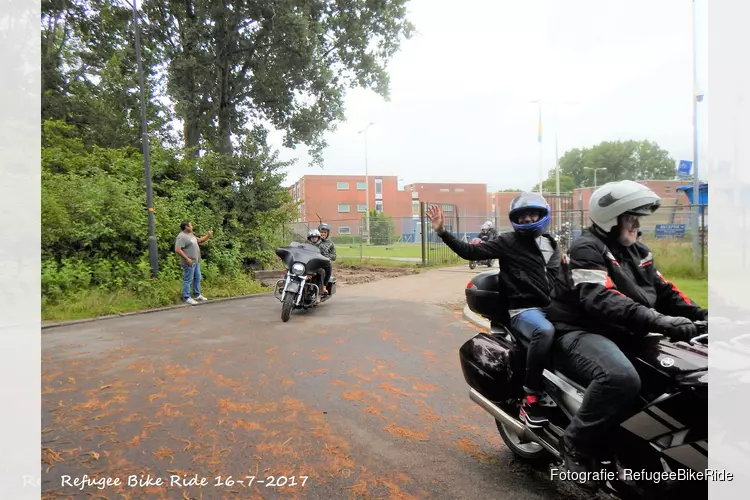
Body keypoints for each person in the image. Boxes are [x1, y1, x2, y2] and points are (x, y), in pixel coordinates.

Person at [545, 180, 707, 488]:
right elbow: (599, 298)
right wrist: (660, 321)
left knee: (680, 375)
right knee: (620, 378)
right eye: (631, 217)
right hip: (581, 330)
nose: (636, 224)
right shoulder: (587, 248)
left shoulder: (638, 250)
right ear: (612, 217)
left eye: (638, 218)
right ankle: (577, 442)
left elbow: (665, 290)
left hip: (625, 331)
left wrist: (702, 315)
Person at [427, 193, 562, 428]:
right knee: (545, 331)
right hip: (523, 311)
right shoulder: (507, 242)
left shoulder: (551, 243)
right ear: (515, 219)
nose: (529, 219)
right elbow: (469, 252)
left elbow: (561, 277)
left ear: (543, 214)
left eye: (533, 213)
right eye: (523, 215)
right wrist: (442, 231)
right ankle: (531, 399)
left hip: (551, 307)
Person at [174, 221, 214, 305]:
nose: (192, 226)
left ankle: (197, 294)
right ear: (186, 227)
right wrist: (187, 258)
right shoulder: (181, 237)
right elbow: (178, 249)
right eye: (190, 225)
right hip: (189, 262)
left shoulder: (190, 235)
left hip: (196, 261)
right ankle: (187, 297)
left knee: (197, 278)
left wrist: (208, 235)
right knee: (188, 279)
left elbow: (199, 240)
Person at [307, 229, 333, 298]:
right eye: (312, 237)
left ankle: (322, 288)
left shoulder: (322, 246)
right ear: (310, 238)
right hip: (307, 265)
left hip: (317, 266)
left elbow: (326, 256)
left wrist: (325, 259)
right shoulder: (306, 245)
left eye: (315, 237)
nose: (314, 238)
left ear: (318, 238)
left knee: (323, 270)